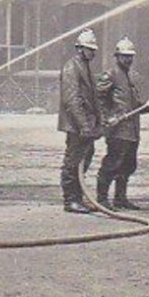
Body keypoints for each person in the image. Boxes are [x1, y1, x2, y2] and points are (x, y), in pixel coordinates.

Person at [96, 37, 149, 210]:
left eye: (130, 56)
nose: (128, 59)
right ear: (117, 56)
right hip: (117, 129)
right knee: (112, 163)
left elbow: (135, 104)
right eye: (125, 56)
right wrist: (107, 118)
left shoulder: (132, 77)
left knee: (128, 165)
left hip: (132, 130)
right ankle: (102, 199)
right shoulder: (110, 75)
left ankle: (120, 198)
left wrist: (146, 106)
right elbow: (98, 100)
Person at [58, 28, 104, 212]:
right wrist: (84, 125)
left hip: (86, 125)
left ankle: (79, 195)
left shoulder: (84, 67)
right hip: (76, 125)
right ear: (79, 49)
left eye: (93, 50)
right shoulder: (72, 67)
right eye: (89, 49)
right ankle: (71, 200)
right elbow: (72, 100)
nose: (92, 53)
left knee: (83, 160)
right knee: (73, 162)